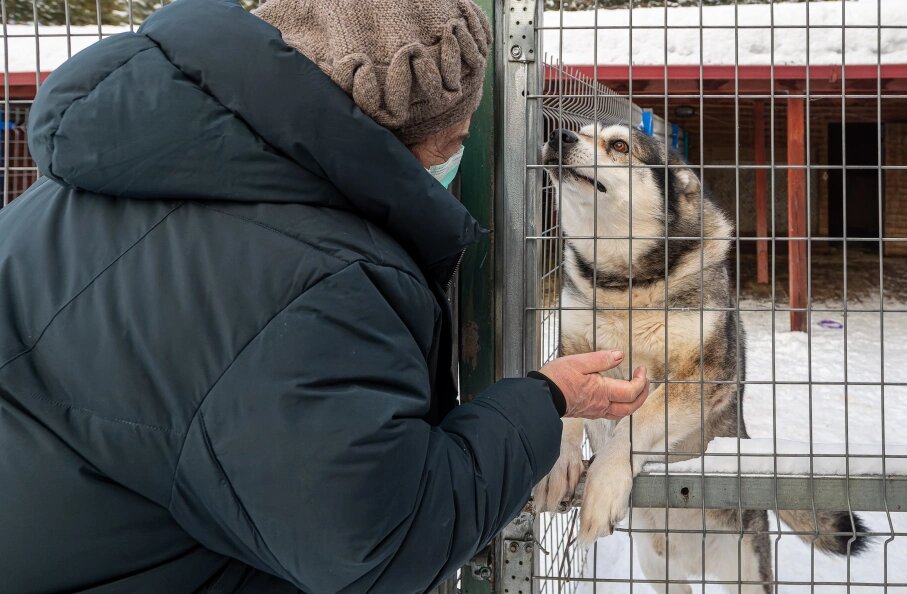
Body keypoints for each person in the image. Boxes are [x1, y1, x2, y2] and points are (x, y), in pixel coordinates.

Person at [0, 0, 651, 592]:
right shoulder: (329, 284)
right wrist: (544, 401)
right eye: (457, 141)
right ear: (404, 139)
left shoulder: (64, 194)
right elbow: (379, 544)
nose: (453, 162)